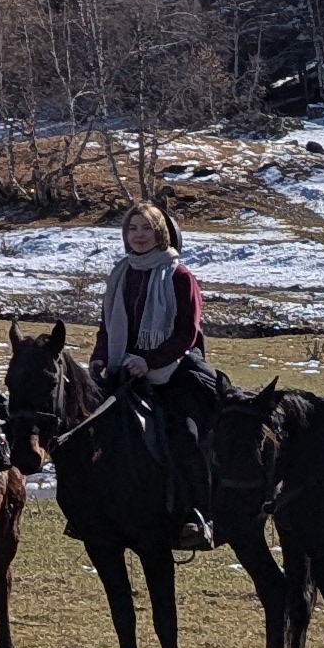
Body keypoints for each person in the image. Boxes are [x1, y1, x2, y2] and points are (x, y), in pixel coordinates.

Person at [91, 202, 215, 548]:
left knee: (185, 436)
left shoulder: (179, 276)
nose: (139, 235)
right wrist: (100, 359)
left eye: (146, 228)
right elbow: (107, 325)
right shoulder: (120, 273)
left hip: (173, 372)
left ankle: (197, 514)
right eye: (132, 229)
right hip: (123, 368)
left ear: (161, 232)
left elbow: (186, 334)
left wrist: (149, 361)